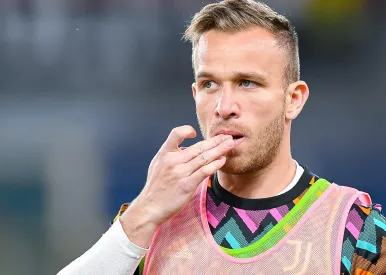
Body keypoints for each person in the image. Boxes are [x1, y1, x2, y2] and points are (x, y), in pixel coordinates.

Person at [57, 0, 386, 274]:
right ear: (194, 94)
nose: (224, 107)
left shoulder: (357, 230)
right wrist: (142, 213)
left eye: (247, 83)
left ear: (293, 99)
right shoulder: (151, 222)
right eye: (209, 84)